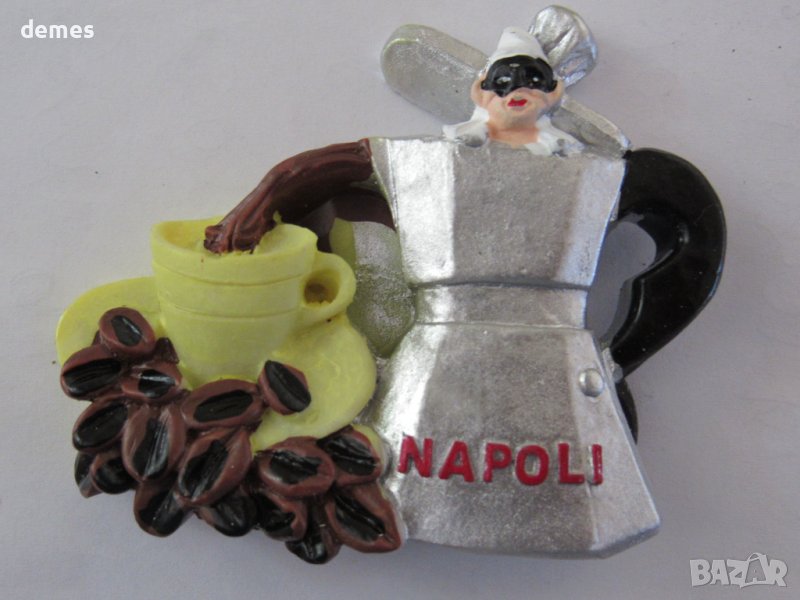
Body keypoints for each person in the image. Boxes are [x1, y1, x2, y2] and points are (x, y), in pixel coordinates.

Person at [204, 25, 724, 557]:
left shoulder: (593, 172)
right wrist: (264, 201)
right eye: (503, 80)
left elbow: (689, 220)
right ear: (479, 90)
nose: (516, 90)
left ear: (554, 93)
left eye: (532, 79)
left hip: (556, 362)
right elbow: (335, 165)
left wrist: (621, 356)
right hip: (438, 363)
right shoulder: (431, 160)